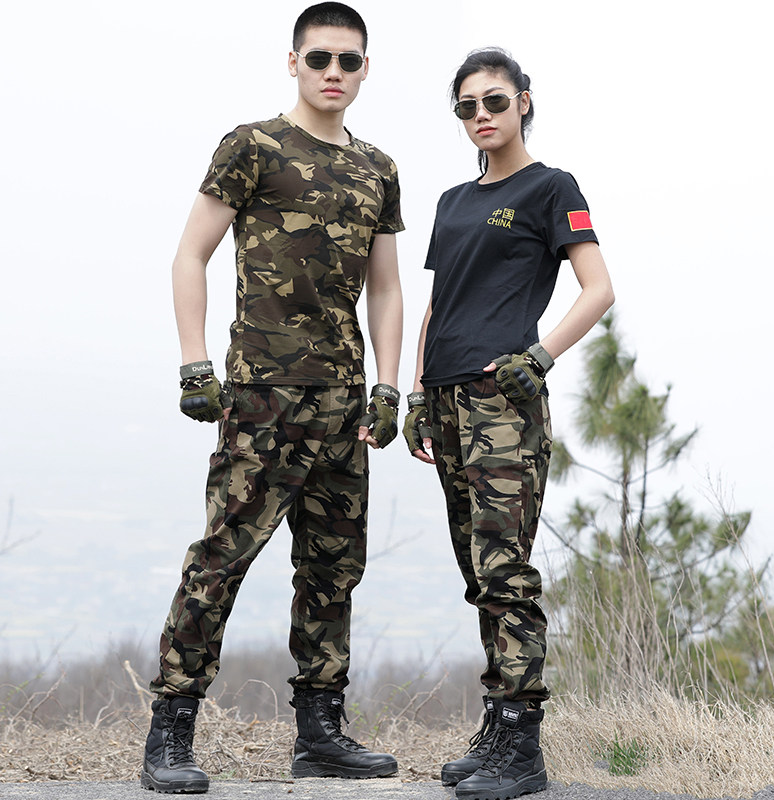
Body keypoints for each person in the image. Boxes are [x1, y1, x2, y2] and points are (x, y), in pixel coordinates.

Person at [140, 3, 404, 793]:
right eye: (319, 57)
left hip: (343, 403)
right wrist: (194, 365)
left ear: (365, 69)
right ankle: (170, 730)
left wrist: (388, 386)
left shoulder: (378, 168)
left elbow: (386, 289)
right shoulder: (252, 145)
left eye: (348, 60)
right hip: (261, 396)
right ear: (294, 62)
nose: (334, 71)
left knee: (333, 570)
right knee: (221, 559)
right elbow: (190, 255)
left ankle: (320, 733)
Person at [403, 48, 614, 800]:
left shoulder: (551, 187)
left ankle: (523, 750)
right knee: (477, 572)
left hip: (502, 403)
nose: (481, 115)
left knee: (504, 569)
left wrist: (539, 357)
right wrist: (417, 394)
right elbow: (440, 303)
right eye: (467, 106)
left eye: (495, 100)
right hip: (446, 400)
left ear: (524, 100)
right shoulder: (452, 201)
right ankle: (496, 728)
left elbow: (598, 289)